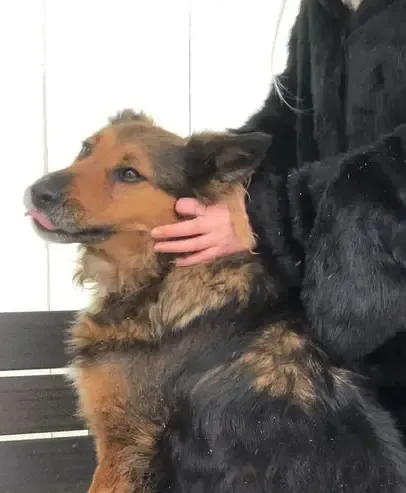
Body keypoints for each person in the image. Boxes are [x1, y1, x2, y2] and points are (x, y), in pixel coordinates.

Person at [151, 0, 406, 437]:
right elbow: (287, 124)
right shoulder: (322, 12)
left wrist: (272, 215)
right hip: (352, 346)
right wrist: (205, 180)